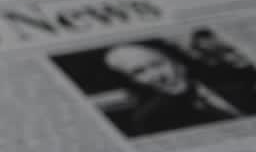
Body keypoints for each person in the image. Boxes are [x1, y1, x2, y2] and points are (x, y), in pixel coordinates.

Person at [104, 42, 250, 135]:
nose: (157, 76)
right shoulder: (151, 119)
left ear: (177, 61)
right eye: (139, 72)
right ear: (133, 81)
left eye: (157, 64)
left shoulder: (236, 79)